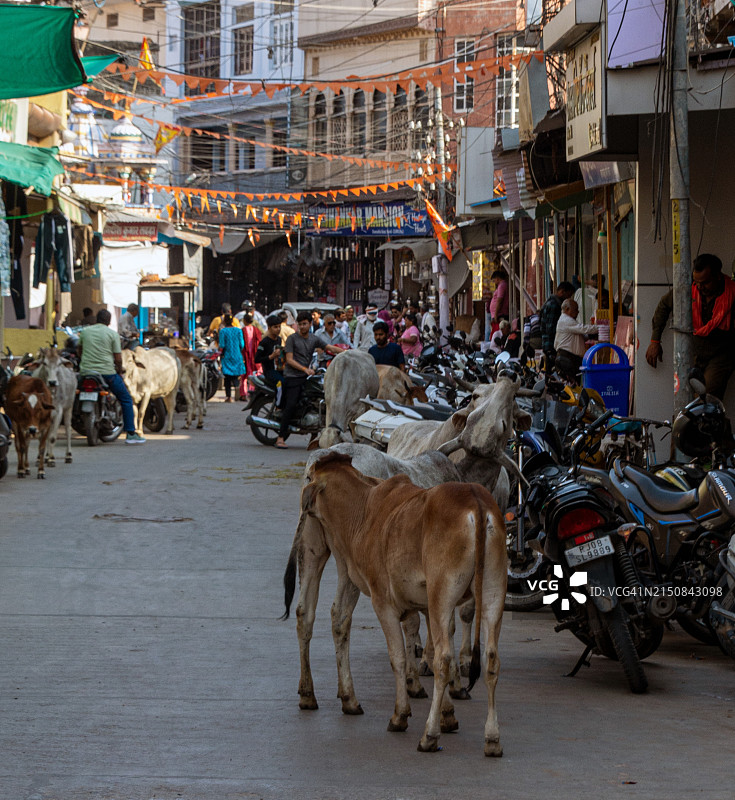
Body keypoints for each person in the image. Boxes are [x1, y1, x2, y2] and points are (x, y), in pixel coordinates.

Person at [646, 253, 735, 399]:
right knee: (685, 397)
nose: (700, 287)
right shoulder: (689, 289)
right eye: (697, 282)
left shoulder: (732, 293)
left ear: (718, 276)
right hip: (694, 354)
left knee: (704, 397)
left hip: (721, 356)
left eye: (705, 283)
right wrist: (655, 341)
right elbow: (664, 305)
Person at [77, 309, 145, 444]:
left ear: (96, 319)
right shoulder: (112, 335)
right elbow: (118, 358)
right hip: (107, 374)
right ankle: (131, 433)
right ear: (108, 321)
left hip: (86, 373)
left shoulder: (85, 332)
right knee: (126, 398)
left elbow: (79, 350)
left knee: (74, 395)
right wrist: (119, 370)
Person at [276, 311, 318, 449]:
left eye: (305, 324)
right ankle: (280, 437)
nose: (302, 326)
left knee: (315, 401)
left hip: (306, 377)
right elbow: (289, 359)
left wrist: (346, 352)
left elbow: (328, 347)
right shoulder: (292, 339)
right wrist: (305, 369)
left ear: (310, 324)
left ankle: (314, 435)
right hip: (292, 377)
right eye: (300, 324)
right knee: (291, 405)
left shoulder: (313, 339)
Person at [554, 298, 597, 381]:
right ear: (567, 309)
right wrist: (601, 327)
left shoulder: (568, 320)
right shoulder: (566, 320)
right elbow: (584, 329)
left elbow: (581, 335)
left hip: (571, 358)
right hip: (568, 358)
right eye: (575, 309)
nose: (578, 312)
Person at [540, 281, 575, 370]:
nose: (568, 299)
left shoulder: (550, 303)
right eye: (568, 295)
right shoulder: (554, 305)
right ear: (562, 292)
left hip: (549, 345)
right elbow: (551, 329)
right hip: (551, 345)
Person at [255, 314, 285, 398]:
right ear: (269, 328)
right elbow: (257, 359)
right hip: (269, 371)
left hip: (279, 369)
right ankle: (279, 405)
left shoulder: (279, 339)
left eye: (279, 327)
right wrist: (271, 356)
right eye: (275, 327)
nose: (278, 329)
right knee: (282, 383)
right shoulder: (264, 342)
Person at [218, 314, 245, 403]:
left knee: (227, 377)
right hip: (237, 355)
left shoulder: (223, 331)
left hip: (227, 356)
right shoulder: (238, 331)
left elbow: (222, 345)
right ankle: (237, 389)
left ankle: (229, 397)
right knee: (236, 376)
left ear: (224, 321)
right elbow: (242, 344)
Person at [239, 310, 263, 400]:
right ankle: (252, 392)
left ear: (244, 321)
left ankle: (244, 394)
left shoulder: (242, 330)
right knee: (254, 374)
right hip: (254, 356)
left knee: (244, 376)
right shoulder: (256, 330)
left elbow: (241, 344)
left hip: (245, 355)